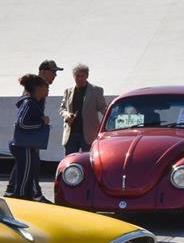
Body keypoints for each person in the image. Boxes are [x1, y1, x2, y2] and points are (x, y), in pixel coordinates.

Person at [6, 74, 51, 202]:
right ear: (38, 88)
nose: (48, 90)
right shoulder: (29, 103)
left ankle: (25, 195)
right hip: (24, 146)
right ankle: (22, 197)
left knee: (28, 172)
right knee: (25, 174)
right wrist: (42, 122)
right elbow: (22, 123)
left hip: (27, 145)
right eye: (45, 87)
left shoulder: (34, 103)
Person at [59, 63, 108, 154]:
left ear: (87, 76)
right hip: (71, 134)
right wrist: (67, 115)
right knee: (70, 161)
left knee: (90, 161)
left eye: (82, 76)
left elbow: (103, 108)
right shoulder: (68, 91)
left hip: (89, 134)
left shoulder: (96, 90)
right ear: (73, 76)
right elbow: (62, 109)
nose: (79, 79)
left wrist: (112, 118)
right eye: (77, 76)